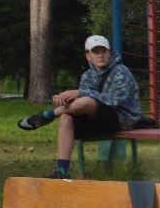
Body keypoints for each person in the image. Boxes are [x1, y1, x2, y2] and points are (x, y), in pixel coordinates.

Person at [17, 34, 142, 179]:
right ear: (88, 56)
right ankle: (62, 171)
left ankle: (48, 115)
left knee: (86, 101)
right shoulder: (87, 75)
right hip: (98, 119)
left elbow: (114, 100)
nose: (100, 55)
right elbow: (81, 103)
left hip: (122, 119)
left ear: (110, 53)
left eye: (104, 51)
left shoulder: (121, 72)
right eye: (96, 52)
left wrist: (81, 92)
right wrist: (65, 100)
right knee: (66, 117)